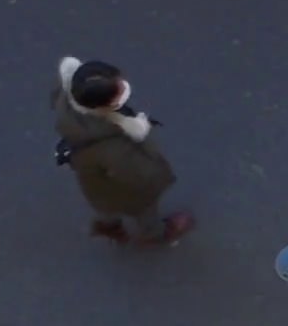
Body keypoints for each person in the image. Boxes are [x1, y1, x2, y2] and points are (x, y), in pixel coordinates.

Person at [53, 56, 192, 245]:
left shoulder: (72, 104)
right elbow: (140, 176)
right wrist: (157, 174)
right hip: (126, 190)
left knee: (105, 205)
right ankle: (153, 235)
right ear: (104, 106)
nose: (124, 86)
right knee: (144, 209)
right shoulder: (112, 145)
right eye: (118, 92)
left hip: (95, 182)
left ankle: (108, 226)